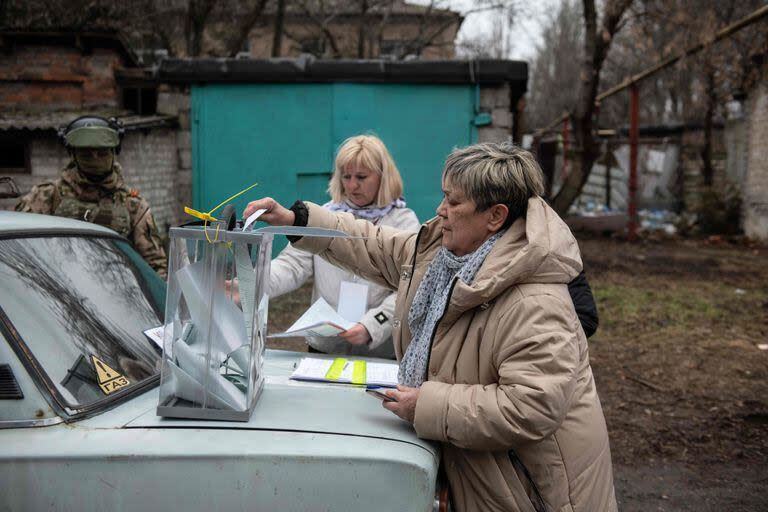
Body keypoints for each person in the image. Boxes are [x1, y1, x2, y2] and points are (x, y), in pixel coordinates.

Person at [245, 142, 617, 512]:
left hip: (530, 494)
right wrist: (298, 221)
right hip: (485, 477)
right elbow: (374, 245)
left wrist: (426, 404)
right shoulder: (445, 255)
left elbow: (530, 406)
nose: (440, 210)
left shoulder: (535, 302)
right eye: (443, 197)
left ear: (495, 216)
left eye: (454, 202)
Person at [269, 135, 420, 358]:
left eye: (361, 176)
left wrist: (372, 326)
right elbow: (291, 265)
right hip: (325, 345)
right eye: (346, 176)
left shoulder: (404, 223)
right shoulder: (324, 216)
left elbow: (409, 287)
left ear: (383, 177)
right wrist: (247, 283)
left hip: (379, 349)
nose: (351, 185)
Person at [16, 116, 167, 278]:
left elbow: (155, 267)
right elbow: (20, 250)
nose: (95, 159)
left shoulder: (133, 205)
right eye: (86, 154)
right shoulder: (47, 196)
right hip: (59, 288)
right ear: (73, 155)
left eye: (102, 153)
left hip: (118, 292)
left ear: (114, 152)